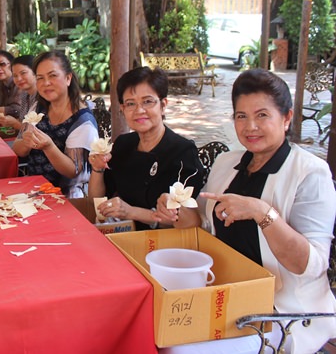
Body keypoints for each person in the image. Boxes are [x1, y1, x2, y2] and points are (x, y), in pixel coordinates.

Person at [158, 69, 336, 354]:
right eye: (241, 116)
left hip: (278, 311)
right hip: (224, 294)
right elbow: (203, 225)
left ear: (287, 118)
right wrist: (178, 213)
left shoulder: (310, 173)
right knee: (153, 326)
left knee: (176, 349)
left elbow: (310, 266)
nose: (250, 126)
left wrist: (262, 212)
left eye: (262, 115)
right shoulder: (227, 163)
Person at [89, 66, 205, 231]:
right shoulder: (123, 144)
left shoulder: (183, 153)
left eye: (148, 101)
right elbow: (98, 200)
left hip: (163, 245)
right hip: (123, 234)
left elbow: (187, 222)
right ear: (122, 109)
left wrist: (131, 212)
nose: (139, 110)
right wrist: (97, 170)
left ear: (163, 105)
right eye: (130, 104)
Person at [12, 51, 98, 198]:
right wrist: (27, 142)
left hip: (67, 197)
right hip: (34, 189)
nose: (46, 83)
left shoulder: (82, 122)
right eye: (40, 78)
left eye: (53, 75)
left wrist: (48, 146)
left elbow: (73, 170)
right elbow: (18, 149)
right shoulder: (39, 107)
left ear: (68, 78)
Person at [0, 55, 38, 131]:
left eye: (23, 73)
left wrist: (15, 124)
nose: (19, 79)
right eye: (15, 75)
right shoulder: (24, 94)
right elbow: (23, 121)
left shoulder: (42, 97)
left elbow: (38, 132)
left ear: (35, 72)